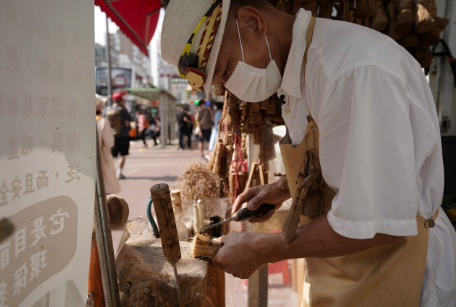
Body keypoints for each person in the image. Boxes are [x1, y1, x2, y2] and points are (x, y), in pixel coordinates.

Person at [161, 1, 456, 306]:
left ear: (251, 22)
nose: (232, 88)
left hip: (396, 269)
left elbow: (379, 221)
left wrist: (262, 249)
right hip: (344, 271)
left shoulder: (350, 71)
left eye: (226, 69)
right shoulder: (299, 68)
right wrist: (281, 189)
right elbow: (342, 160)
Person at [95, 95, 120, 194]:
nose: (103, 107)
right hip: (102, 156)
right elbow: (109, 142)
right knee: (105, 187)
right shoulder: (101, 121)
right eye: (102, 105)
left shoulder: (82, 121)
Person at [107, 92, 132, 180]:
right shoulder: (123, 110)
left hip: (112, 135)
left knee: (112, 155)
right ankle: (119, 173)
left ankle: (110, 173)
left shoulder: (108, 109)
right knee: (122, 155)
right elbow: (130, 118)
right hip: (124, 135)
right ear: (121, 100)